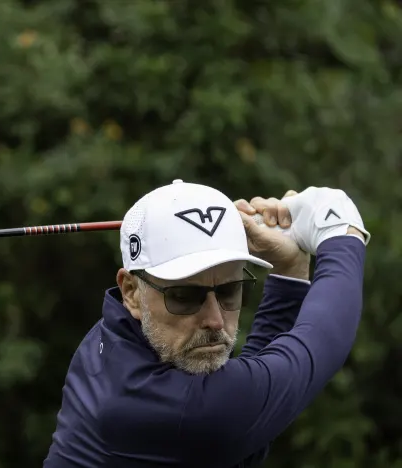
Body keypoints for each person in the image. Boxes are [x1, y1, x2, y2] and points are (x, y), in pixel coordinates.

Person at [43, 179, 370, 467]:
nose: (215, 319)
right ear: (131, 291)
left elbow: (252, 415)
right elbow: (322, 342)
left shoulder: (110, 339)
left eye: (229, 291)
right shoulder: (177, 413)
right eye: (185, 296)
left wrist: (288, 268)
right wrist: (341, 232)